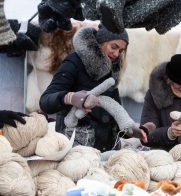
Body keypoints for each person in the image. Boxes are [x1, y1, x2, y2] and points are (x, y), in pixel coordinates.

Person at [39, 24, 147, 152]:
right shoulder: (74, 62)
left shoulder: (111, 72)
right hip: (76, 150)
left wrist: (132, 130)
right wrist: (71, 98)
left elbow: (114, 119)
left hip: (106, 150)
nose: (117, 54)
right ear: (101, 42)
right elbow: (45, 102)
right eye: (114, 47)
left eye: (121, 51)